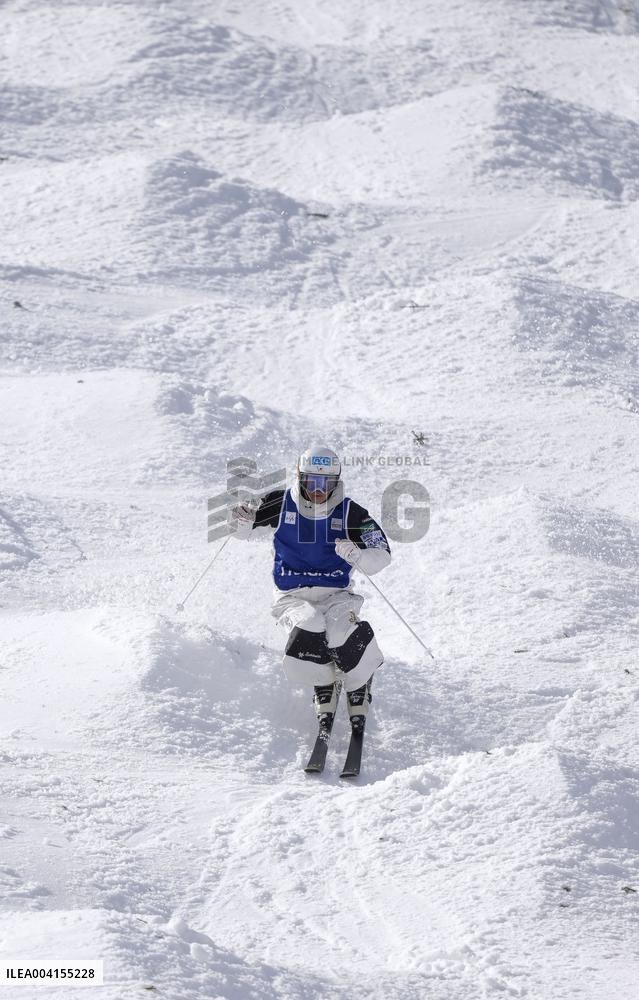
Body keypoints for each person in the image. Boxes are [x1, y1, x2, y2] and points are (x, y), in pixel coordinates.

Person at [230, 445, 391, 733]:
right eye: (312, 482)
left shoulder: (350, 511)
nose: (319, 490)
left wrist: (358, 555)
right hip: (292, 596)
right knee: (310, 625)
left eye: (326, 483)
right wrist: (240, 522)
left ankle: (359, 677)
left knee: (341, 630)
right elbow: (245, 530)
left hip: (336, 596)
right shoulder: (280, 503)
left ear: (336, 482)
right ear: (300, 477)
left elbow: (382, 553)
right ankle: (324, 682)